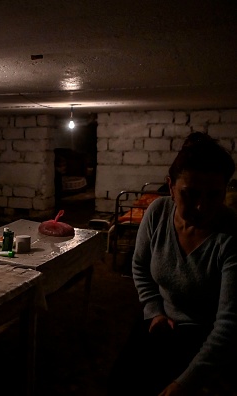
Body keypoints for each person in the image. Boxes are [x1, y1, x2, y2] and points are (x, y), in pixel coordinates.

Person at [108, 132, 237, 396]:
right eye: (190, 194)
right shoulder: (158, 213)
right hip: (162, 320)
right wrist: (154, 310)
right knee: (121, 382)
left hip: (206, 333)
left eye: (214, 195)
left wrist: (184, 384)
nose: (202, 206)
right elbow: (140, 266)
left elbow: (229, 322)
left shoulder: (231, 235)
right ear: (170, 187)